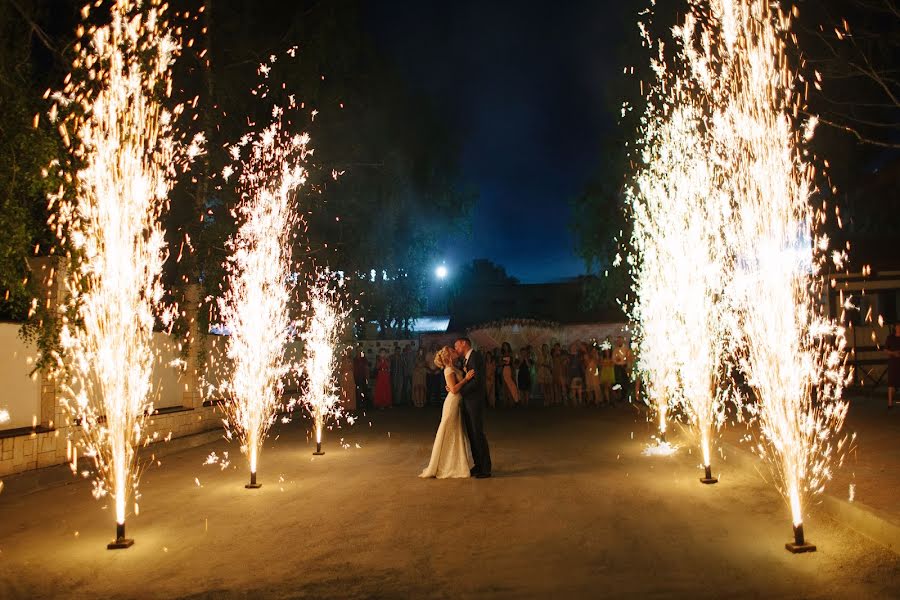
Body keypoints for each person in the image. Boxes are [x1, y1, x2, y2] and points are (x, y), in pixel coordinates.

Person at [419, 346, 475, 478]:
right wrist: (466, 379)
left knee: (455, 432)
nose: (455, 351)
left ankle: (454, 463)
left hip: (456, 402)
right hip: (452, 403)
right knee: (450, 431)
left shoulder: (453, 368)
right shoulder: (449, 369)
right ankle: (447, 464)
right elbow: (454, 390)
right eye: (452, 351)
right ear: (449, 356)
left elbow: (452, 386)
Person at [454, 337, 492, 478]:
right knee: (472, 434)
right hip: (469, 402)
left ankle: (485, 468)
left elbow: (477, 382)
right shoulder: (467, 360)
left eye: (457, 346)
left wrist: (460, 391)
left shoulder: (475, 357)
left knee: (478, 434)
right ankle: (478, 465)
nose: (456, 349)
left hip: (475, 402)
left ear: (464, 343)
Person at [613, 336, 634, 402]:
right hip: (617, 367)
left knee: (625, 382)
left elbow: (628, 359)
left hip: (624, 367)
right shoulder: (615, 349)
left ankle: (625, 396)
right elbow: (613, 359)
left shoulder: (626, 349)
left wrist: (628, 367)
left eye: (620, 340)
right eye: (618, 341)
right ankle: (620, 396)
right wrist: (616, 360)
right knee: (619, 382)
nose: (619, 342)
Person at [499, 341, 518, 406]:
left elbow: (514, 363)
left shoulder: (511, 353)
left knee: (512, 386)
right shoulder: (502, 354)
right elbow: (500, 363)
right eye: (504, 346)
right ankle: (506, 402)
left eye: (506, 346)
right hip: (504, 370)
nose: (505, 347)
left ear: (508, 346)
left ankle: (512, 401)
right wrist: (503, 362)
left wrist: (514, 371)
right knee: (505, 386)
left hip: (510, 370)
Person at [339, 345, 357, 412]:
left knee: (351, 390)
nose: (348, 353)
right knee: (345, 390)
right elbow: (341, 370)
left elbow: (353, 369)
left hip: (350, 376)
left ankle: (351, 406)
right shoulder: (343, 360)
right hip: (345, 376)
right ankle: (344, 405)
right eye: (347, 352)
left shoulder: (351, 360)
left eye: (349, 352)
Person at [887, 323, 900, 409]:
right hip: (893, 362)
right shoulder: (890, 338)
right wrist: (893, 353)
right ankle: (890, 403)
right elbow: (885, 350)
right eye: (897, 326)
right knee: (891, 382)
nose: (898, 328)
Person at [599, 341, 616, 405]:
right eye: (606, 351)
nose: (607, 352)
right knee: (606, 386)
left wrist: (607, 364)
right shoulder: (602, 358)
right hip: (604, 372)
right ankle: (608, 400)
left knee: (609, 386)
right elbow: (601, 364)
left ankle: (612, 399)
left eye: (608, 351)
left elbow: (612, 364)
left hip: (610, 372)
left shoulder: (612, 357)